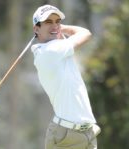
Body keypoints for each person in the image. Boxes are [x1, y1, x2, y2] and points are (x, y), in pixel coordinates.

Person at [31, 5, 101, 149]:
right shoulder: (50, 52)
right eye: (48, 22)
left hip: (87, 133)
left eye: (57, 21)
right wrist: (61, 28)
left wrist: (57, 29)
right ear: (36, 29)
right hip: (67, 137)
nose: (55, 25)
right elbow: (85, 33)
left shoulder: (57, 48)